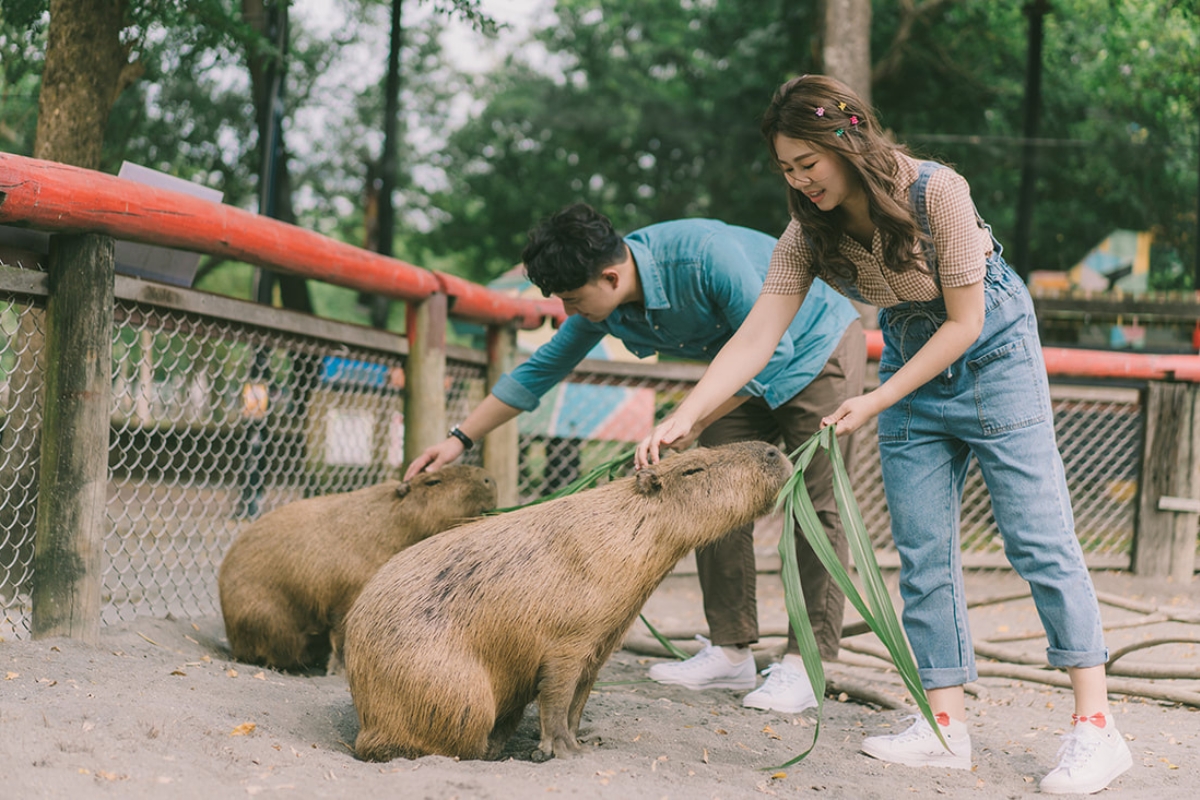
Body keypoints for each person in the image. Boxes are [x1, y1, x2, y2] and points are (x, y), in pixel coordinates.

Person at [635, 74, 1132, 795]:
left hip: (993, 355)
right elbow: (758, 334)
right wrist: (688, 417)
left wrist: (877, 397)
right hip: (906, 355)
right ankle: (944, 727)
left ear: (850, 138)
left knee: (1038, 539)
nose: (801, 183)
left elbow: (965, 324)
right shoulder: (809, 231)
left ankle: (1096, 730)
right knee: (924, 553)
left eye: (809, 164)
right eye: (787, 171)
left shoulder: (938, 193)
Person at [406, 202, 866, 713]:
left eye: (574, 299)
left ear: (608, 275)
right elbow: (538, 372)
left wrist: (688, 415)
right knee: (709, 493)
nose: (570, 311)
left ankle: (807, 663)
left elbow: (772, 348)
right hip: (736, 374)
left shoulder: (704, 258)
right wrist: (458, 439)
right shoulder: (603, 304)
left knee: (815, 505)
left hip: (812, 348)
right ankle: (731, 649)